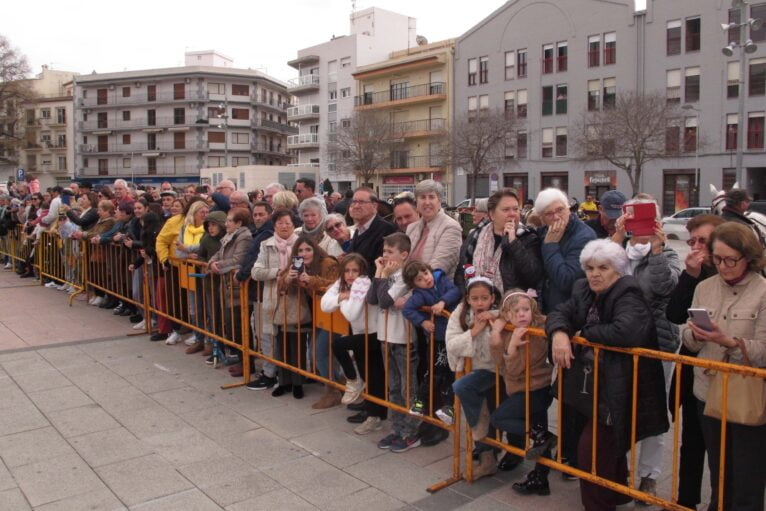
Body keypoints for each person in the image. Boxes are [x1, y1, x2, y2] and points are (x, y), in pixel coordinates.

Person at [547, 239, 668, 511]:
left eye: (603, 267)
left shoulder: (628, 292)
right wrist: (559, 333)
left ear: (618, 270)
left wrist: (583, 334)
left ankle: (599, 504)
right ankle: (617, 495)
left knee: (591, 451)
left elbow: (626, 331)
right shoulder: (584, 289)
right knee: (605, 448)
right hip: (596, 385)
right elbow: (560, 312)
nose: (595, 273)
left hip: (625, 385)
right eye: (589, 267)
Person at [680, 222, 766, 511]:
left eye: (731, 260)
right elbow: (688, 339)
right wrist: (694, 334)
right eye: (717, 259)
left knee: (748, 477)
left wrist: (727, 340)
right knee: (720, 473)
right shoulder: (704, 287)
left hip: (748, 398)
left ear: (748, 257)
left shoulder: (763, 291)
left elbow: (764, 351)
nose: (723, 266)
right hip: (708, 392)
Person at [612, 198, 682, 501]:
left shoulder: (667, 255)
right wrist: (615, 239)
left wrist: (655, 249)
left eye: (646, 221)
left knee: (653, 413)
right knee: (620, 409)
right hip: (622, 343)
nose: (639, 230)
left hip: (657, 344)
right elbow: (595, 274)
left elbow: (665, 287)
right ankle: (620, 470)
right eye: (634, 222)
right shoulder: (619, 254)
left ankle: (649, 476)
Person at [663, 214, 724, 509]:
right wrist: (689, 275)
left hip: (723, 373)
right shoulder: (694, 273)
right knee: (691, 441)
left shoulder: (731, 273)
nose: (697, 246)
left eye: (704, 240)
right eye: (693, 241)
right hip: (692, 365)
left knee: (720, 448)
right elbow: (674, 314)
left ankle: (719, 502)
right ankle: (686, 499)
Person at [489, 289, 555, 494]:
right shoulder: (508, 329)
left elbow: (516, 369)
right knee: (540, 441)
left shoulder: (539, 327)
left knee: (499, 418)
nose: (521, 314)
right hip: (518, 388)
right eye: (516, 311)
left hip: (538, 388)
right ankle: (540, 479)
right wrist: (499, 335)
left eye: (526, 309)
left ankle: (542, 436)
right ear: (507, 315)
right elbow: (501, 364)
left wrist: (514, 348)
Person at [321, 254, 387, 435]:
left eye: (355, 270)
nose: (351, 275)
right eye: (347, 270)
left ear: (362, 271)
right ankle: (370, 409)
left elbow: (351, 313)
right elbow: (324, 305)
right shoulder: (344, 284)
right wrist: (344, 295)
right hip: (360, 332)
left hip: (374, 334)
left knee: (340, 346)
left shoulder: (363, 283)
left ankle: (374, 414)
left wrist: (341, 299)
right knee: (368, 373)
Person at [367, 233, 421, 452]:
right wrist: (379, 273)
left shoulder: (404, 276)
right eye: (384, 252)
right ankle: (397, 428)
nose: (384, 256)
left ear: (404, 254)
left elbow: (384, 300)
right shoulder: (386, 274)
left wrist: (383, 276)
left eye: (390, 252)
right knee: (395, 387)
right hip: (385, 336)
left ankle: (412, 431)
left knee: (409, 389)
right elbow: (371, 299)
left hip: (403, 338)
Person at [446, 275, 502, 478]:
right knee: (463, 388)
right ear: (468, 298)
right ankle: (485, 449)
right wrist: (473, 332)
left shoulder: (501, 313)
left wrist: (495, 318)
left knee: (500, 412)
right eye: (475, 298)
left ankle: (503, 453)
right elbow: (451, 343)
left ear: (492, 297)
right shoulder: (460, 313)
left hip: (499, 369)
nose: (480, 303)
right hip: (476, 369)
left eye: (484, 298)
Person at [275, 235, 339, 400]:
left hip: (332, 314)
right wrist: (288, 278)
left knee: (319, 352)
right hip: (315, 315)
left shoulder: (328, 263)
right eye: (300, 250)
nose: (304, 254)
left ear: (315, 250)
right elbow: (280, 285)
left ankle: (333, 390)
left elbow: (335, 284)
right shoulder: (297, 265)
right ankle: (337, 383)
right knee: (315, 353)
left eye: (308, 249)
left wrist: (311, 280)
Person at [402, 260, 462, 420]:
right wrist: (423, 322)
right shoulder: (419, 294)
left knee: (453, 372)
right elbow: (407, 309)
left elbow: (456, 291)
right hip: (439, 338)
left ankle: (449, 406)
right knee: (435, 371)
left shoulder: (441, 279)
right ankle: (420, 401)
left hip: (455, 335)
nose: (426, 279)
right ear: (414, 285)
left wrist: (442, 302)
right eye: (419, 280)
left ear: (430, 271)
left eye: (426, 274)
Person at [457, 188, 542, 294]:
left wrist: (513, 243)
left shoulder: (528, 238)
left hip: (511, 306)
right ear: (492, 215)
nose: (512, 214)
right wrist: (467, 298)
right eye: (506, 210)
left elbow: (534, 277)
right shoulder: (476, 236)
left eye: (515, 209)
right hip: (475, 304)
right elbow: (461, 273)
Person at [252, 209, 299, 389]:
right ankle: (270, 373)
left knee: (293, 340)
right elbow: (256, 272)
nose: (284, 226)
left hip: (294, 298)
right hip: (271, 297)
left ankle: (294, 380)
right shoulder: (266, 244)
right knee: (268, 337)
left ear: (294, 225)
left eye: (287, 223)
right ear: (274, 226)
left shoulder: (300, 244)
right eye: (280, 223)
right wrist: (277, 273)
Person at [535, 188, 597, 314]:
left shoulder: (584, 236)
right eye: (549, 214)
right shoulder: (542, 233)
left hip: (570, 313)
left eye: (560, 210)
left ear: (568, 209)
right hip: (546, 308)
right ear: (542, 218)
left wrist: (550, 245)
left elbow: (567, 280)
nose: (556, 217)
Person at [207, 208, 253, 372]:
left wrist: (218, 266)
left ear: (239, 223)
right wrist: (212, 263)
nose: (226, 224)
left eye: (229, 221)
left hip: (236, 289)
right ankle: (240, 359)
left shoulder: (244, 237)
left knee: (240, 326)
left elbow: (238, 259)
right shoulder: (228, 237)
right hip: (226, 287)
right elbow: (218, 255)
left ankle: (247, 363)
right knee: (232, 325)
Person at [406, 180, 463, 278]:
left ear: (439, 201)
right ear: (417, 202)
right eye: (422, 197)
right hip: (408, 286)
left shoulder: (451, 227)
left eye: (432, 197)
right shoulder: (411, 228)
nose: (427, 202)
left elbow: (439, 266)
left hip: (435, 289)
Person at [174, 200, 210, 352]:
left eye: (207, 212)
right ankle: (198, 337)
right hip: (188, 272)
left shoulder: (208, 228)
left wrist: (187, 248)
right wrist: (189, 253)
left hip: (203, 273)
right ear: (194, 214)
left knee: (207, 308)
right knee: (194, 308)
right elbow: (178, 252)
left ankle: (209, 339)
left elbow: (203, 248)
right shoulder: (185, 228)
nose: (205, 215)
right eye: (202, 212)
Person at [151, 198, 186, 343]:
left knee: (190, 302)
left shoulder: (193, 221)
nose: (173, 208)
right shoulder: (172, 221)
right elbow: (161, 241)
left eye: (177, 206)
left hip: (189, 265)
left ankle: (195, 333)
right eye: (173, 206)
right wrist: (165, 259)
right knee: (173, 300)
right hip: (173, 266)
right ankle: (175, 329)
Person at [348, 187, 397, 277]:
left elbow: (381, 266)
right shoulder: (359, 229)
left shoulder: (386, 230)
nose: (356, 206)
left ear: (374, 206)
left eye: (361, 202)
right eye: (354, 202)